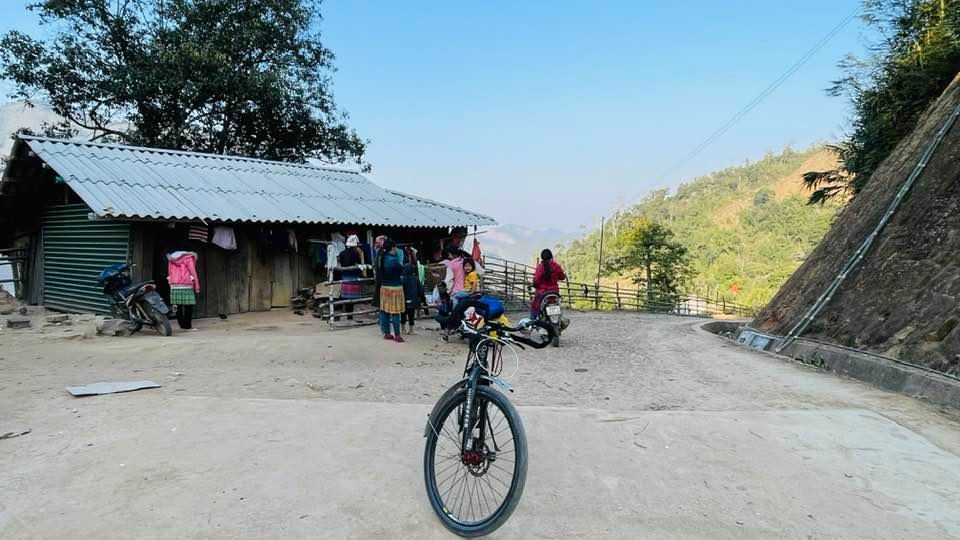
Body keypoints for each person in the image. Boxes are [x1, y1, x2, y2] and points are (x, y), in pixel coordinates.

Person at [378, 238, 405, 342]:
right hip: (395, 287)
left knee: (385, 311)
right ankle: (397, 335)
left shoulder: (382, 258)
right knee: (395, 312)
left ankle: (387, 333)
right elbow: (401, 270)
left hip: (384, 287)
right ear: (393, 248)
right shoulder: (393, 260)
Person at [167, 251, 200, 331]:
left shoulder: (171, 259)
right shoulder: (189, 258)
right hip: (186, 285)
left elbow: (169, 272)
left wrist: (170, 283)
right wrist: (197, 286)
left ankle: (181, 325)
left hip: (174, 286)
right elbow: (193, 272)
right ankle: (187, 326)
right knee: (188, 306)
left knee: (177, 306)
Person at [531, 249, 567, 319]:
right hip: (554, 292)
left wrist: (535, 285)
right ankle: (560, 320)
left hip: (542, 293)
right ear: (551, 256)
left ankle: (532, 321)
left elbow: (536, 281)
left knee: (535, 308)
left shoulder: (540, 267)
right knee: (558, 305)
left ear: (542, 257)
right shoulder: (556, 266)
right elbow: (562, 277)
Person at [337, 235, 365, 320]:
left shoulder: (342, 253)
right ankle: (350, 314)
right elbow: (361, 263)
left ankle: (346, 312)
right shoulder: (356, 253)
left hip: (345, 277)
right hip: (353, 277)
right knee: (352, 300)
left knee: (345, 298)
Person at [401, 256, 423, 335]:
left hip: (404, 300)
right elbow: (420, 290)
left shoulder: (402, 279)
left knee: (403, 315)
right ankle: (411, 330)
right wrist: (421, 299)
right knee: (411, 315)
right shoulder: (416, 278)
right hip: (413, 300)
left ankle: (403, 329)